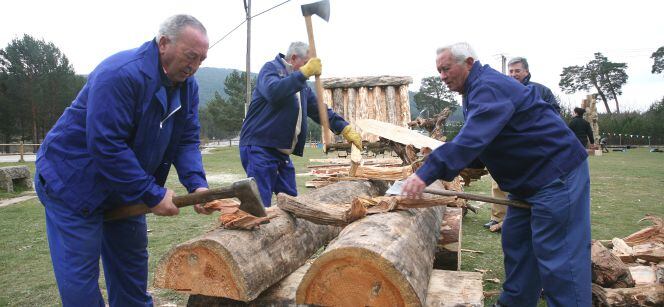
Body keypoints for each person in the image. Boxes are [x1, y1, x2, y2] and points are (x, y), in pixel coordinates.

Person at [34, 15, 213, 306]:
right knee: (81, 284)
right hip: (71, 182)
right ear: (164, 43)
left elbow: (186, 140)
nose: (194, 66)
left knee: (131, 273)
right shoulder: (120, 74)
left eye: (202, 59)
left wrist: (197, 185)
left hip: (124, 189)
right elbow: (106, 145)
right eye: (191, 56)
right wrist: (152, 194)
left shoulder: (187, 87)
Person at [401, 42, 591, 307]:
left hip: (555, 176)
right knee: (518, 246)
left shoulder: (488, 86)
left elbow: (472, 137)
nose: (442, 76)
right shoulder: (475, 89)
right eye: (439, 71)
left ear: (468, 62)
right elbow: (489, 139)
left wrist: (428, 172)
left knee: (561, 260)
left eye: (446, 69)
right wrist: (464, 163)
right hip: (528, 182)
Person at [239, 42, 362, 207]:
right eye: (306, 64)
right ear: (294, 58)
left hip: (281, 153)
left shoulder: (301, 86)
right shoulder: (271, 69)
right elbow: (274, 92)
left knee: (292, 204)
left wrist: (344, 127)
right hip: (260, 147)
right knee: (260, 206)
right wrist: (303, 73)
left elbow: (320, 110)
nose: (309, 72)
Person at [483, 57, 563, 231]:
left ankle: (532, 219)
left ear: (526, 72)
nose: (513, 74)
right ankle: (498, 218)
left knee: (535, 184)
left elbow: (555, 116)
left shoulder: (541, 91)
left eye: (517, 71)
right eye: (510, 71)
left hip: (535, 148)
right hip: (508, 147)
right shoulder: (501, 92)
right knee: (499, 183)